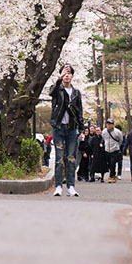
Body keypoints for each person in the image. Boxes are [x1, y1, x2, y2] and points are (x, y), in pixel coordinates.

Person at [49, 64, 83, 197]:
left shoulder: (76, 93)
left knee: (71, 158)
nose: (67, 75)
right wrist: (59, 79)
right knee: (58, 159)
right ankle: (58, 186)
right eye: (64, 72)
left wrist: (81, 128)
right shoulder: (57, 89)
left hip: (72, 129)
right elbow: (52, 92)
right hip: (58, 128)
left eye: (69, 73)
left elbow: (79, 111)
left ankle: (71, 187)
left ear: (73, 76)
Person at [101, 118, 124, 183]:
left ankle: (111, 176)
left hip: (115, 149)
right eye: (107, 124)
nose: (108, 125)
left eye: (110, 124)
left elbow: (120, 140)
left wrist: (117, 146)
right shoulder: (104, 131)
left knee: (112, 163)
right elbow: (103, 138)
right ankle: (113, 174)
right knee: (108, 163)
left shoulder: (117, 132)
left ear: (113, 125)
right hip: (107, 149)